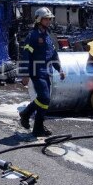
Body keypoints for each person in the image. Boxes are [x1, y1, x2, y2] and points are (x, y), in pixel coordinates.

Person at [18, 7, 66, 137]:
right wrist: (25, 74)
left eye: (49, 19)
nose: (49, 21)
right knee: (44, 98)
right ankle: (32, 119)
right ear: (39, 19)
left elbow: (53, 54)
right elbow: (25, 55)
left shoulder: (49, 37)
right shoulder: (32, 36)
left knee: (44, 99)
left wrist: (59, 69)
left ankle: (31, 120)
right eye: (46, 19)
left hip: (47, 72)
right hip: (36, 71)